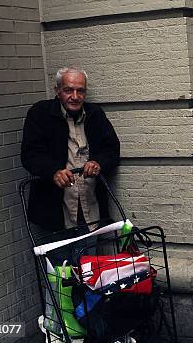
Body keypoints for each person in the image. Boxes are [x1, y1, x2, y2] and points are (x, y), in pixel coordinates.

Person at [21, 66, 120, 256]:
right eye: (68, 90)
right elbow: (30, 154)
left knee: (88, 272)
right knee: (60, 275)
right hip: (55, 212)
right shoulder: (40, 113)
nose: (75, 96)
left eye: (80, 90)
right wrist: (53, 172)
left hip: (90, 210)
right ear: (57, 90)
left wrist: (98, 162)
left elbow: (112, 149)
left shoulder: (95, 114)